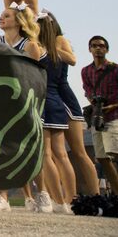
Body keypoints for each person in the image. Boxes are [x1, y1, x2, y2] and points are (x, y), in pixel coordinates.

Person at [0, 3, 44, 212]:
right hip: (2, 100)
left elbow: (35, 78)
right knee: (0, 148)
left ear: (19, 21)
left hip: (24, 103)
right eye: (1, 15)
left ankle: (35, 195)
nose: (1, 18)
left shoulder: (30, 45)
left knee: (25, 151)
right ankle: (2, 197)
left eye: (6, 16)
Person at [37, 12, 99, 197]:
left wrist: (49, 48)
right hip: (48, 95)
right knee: (54, 153)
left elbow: (72, 59)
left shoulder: (59, 39)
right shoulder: (36, 45)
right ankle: (62, 197)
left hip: (63, 96)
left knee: (79, 151)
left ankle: (96, 196)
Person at [81, 35, 118, 193]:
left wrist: (110, 106)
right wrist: (95, 105)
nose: (98, 48)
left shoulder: (115, 69)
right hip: (98, 119)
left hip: (114, 116)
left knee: (115, 154)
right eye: (94, 45)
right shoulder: (86, 71)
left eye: (102, 46)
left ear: (107, 49)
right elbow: (87, 91)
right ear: (89, 49)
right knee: (102, 158)